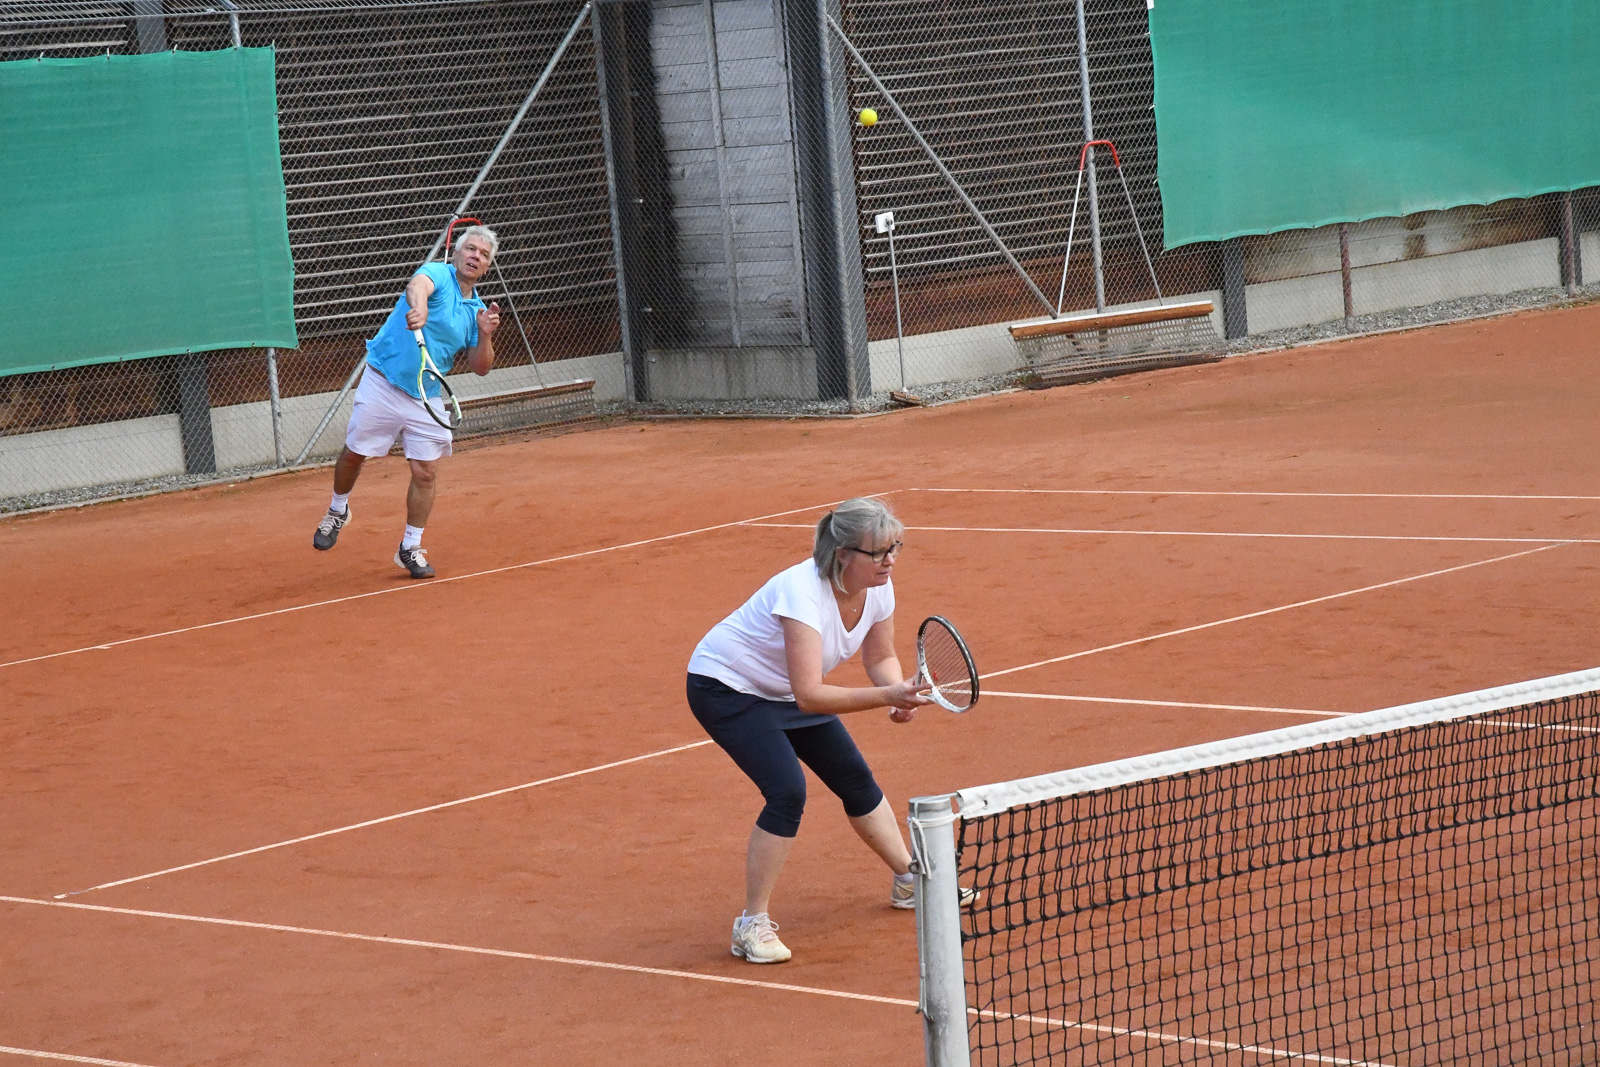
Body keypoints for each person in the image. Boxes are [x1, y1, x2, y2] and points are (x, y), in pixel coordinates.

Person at [686, 496, 975, 965]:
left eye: (895, 548)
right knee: (787, 791)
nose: (890, 560)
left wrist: (895, 693)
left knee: (854, 779)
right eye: (878, 552)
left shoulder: (879, 587)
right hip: (728, 688)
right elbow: (809, 696)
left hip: (786, 689)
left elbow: (880, 656)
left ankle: (910, 880)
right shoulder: (802, 593)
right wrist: (888, 695)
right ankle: (751, 924)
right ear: (843, 554)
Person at [310, 225, 502, 578]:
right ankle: (338, 509)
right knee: (355, 454)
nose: (476, 256)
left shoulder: (475, 312)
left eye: (484, 255)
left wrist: (485, 335)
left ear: (488, 267)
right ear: (456, 253)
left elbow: (481, 367)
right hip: (383, 381)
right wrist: (421, 309)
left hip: (425, 396)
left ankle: (410, 547)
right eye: (471, 249)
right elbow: (417, 287)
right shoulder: (437, 274)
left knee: (426, 472)